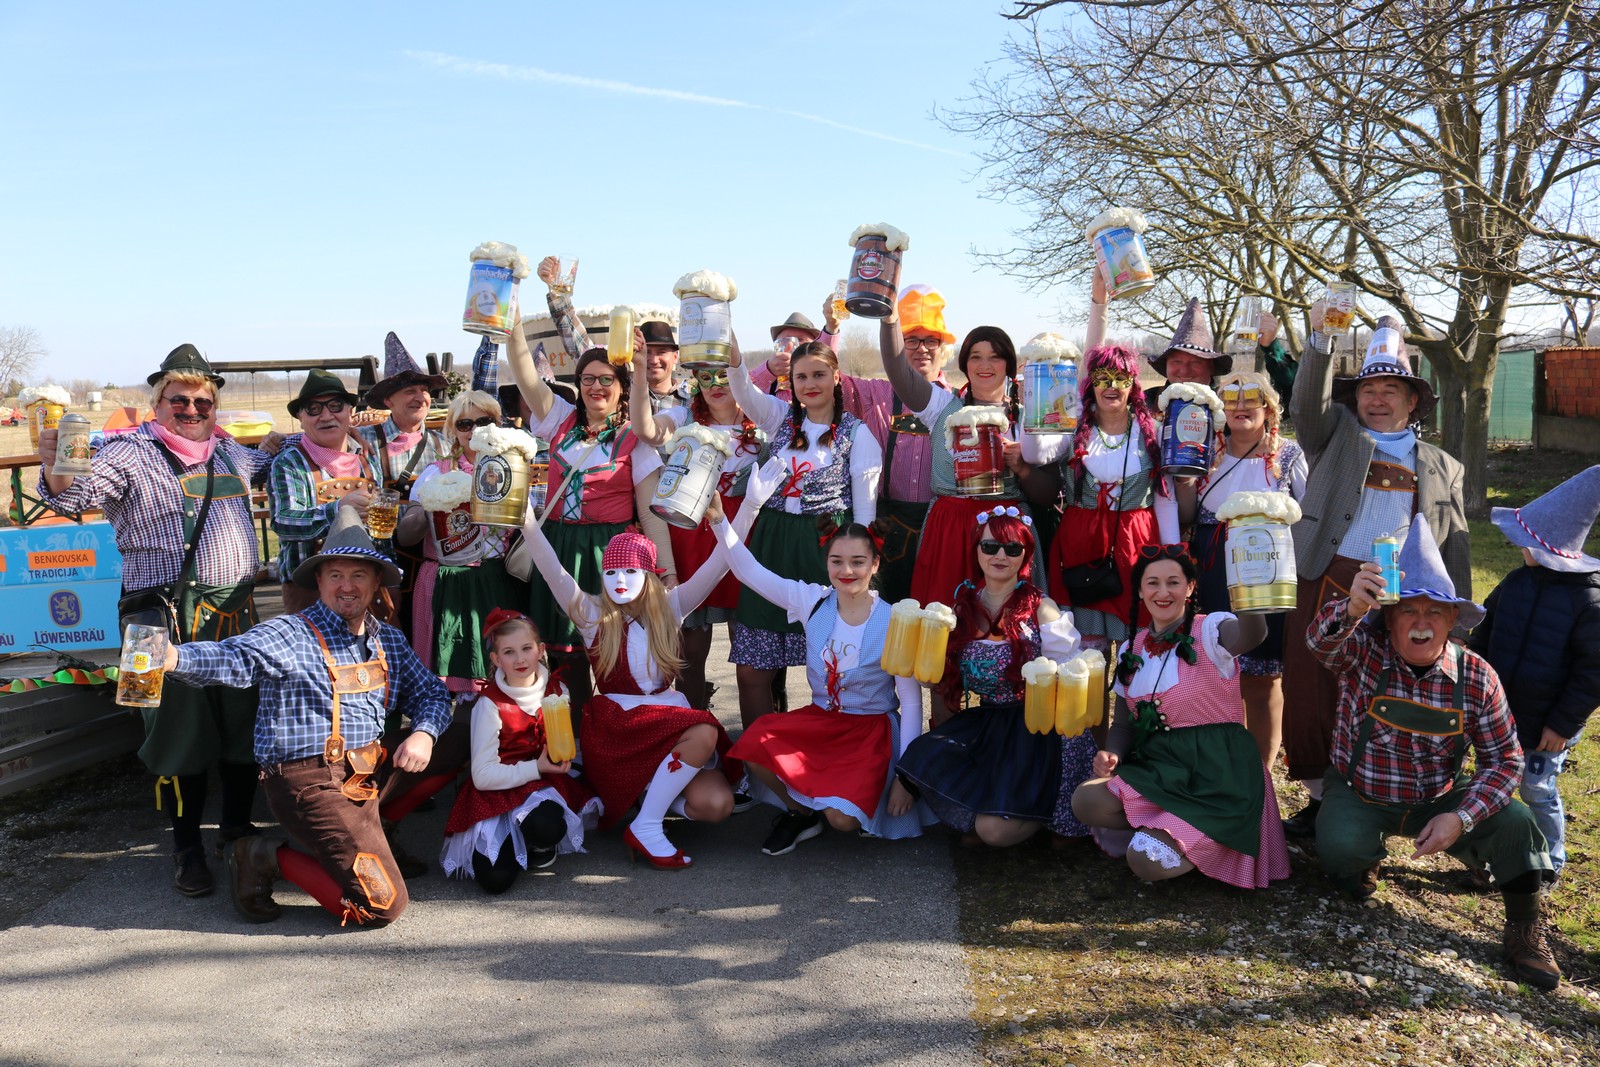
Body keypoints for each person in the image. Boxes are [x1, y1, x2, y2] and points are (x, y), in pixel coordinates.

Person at [36, 345, 276, 899]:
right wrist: (55, 465)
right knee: (172, 737)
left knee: (245, 727)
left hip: (236, 614)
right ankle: (186, 846)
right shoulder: (127, 453)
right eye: (180, 399)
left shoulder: (232, 455)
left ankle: (237, 830)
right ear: (158, 402)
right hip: (152, 620)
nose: (192, 409)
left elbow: (277, 464)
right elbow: (77, 496)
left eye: (203, 401)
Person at [163, 508, 453, 926]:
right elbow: (234, 657)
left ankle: (378, 830)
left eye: (358, 575)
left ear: (375, 583)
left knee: (461, 736)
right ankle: (259, 855)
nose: (346, 586)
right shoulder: (291, 633)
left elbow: (431, 692)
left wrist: (424, 733)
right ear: (318, 582)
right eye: (335, 575)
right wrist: (173, 657)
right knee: (380, 907)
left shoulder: (385, 637)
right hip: (310, 781)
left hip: (365, 772)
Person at [1306, 514, 1559, 989]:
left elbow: (1505, 761)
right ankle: (1362, 861)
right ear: (1390, 619)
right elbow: (1320, 643)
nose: (1421, 623)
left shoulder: (1477, 676)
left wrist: (1459, 818)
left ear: (1452, 622)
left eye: (1435, 613)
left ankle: (1525, 929)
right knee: (1338, 850)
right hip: (1361, 793)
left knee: (1520, 825)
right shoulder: (1366, 651)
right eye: (1409, 612)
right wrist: (1352, 607)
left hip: (1440, 798)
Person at [1278, 311, 1469, 837]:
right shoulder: (1333, 436)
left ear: (1413, 402)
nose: (1378, 399)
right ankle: (1320, 800)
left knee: (1377, 692)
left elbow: (1454, 540)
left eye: (1391, 390)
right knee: (1310, 686)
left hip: (1402, 593)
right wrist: (1320, 340)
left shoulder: (1442, 464)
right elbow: (1304, 406)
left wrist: (1459, 615)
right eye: (1368, 390)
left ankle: (1371, 804)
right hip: (1328, 578)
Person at [519, 498, 761, 868]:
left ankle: (645, 803)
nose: (619, 581)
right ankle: (647, 825)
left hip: (666, 720)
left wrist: (749, 509)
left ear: (648, 576)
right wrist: (527, 523)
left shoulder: (671, 608)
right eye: (612, 572)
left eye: (630, 572)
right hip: (619, 730)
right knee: (704, 732)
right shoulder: (591, 615)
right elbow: (553, 571)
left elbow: (719, 565)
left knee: (717, 805)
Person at [711, 494, 930, 854]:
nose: (847, 571)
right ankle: (800, 813)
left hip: (870, 731)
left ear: (875, 565)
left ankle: (841, 805)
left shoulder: (896, 620)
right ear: (826, 563)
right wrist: (720, 520)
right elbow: (748, 571)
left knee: (841, 820)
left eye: (858, 562)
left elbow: (909, 699)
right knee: (754, 744)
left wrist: (906, 777)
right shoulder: (811, 600)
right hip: (823, 722)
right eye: (837, 561)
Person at [1071, 546, 1289, 888]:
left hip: (1219, 774)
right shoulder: (1132, 649)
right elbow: (1124, 724)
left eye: (1173, 582)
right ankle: (1174, 833)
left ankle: (1202, 847)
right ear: (1140, 591)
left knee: (1144, 861)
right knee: (1086, 799)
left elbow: (1254, 635)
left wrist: (1249, 581)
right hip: (1162, 772)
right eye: (1153, 583)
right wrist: (1111, 753)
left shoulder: (1211, 631)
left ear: (1190, 588)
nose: (1163, 592)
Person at [503, 312, 676, 726]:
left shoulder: (635, 438)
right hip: (560, 548)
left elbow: (652, 514)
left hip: (611, 553)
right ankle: (573, 740)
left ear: (622, 387)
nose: (596, 387)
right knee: (565, 657)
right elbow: (525, 372)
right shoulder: (559, 420)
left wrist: (666, 573)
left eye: (606, 380)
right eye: (588, 379)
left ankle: (614, 731)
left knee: (611, 652)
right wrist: (511, 319)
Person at [895, 508, 1088, 848]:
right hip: (989, 722)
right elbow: (937, 679)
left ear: (1026, 556)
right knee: (921, 756)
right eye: (991, 546)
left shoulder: (1042, 608)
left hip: (1039, 728)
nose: (1000, 555)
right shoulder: (960, 608)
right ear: (977, 550)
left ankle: (1045, 815)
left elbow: (1070, 680)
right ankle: (1004, 811)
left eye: (1012, 549)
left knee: (992, 834)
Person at [750, 289, 950, 605]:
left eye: (931, 341)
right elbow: (826, 375)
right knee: (885, 622)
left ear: (944, 348)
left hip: (937, 523)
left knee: (934, 611)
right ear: (897, 346)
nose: (921, 349)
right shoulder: (877, 393)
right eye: (910, 340)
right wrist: (831, 327)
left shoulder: (956, 402)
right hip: (887, 521)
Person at [727, 336, 883, 728]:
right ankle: (758, 764)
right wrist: (731, 345)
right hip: (771, 547)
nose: (810, 384)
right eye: (801, 377)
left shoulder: (857, 435)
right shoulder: (780, 418)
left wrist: (858, 574)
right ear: (791, 382)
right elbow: (743, 389)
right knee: (752, 671)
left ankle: (830, 760)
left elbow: (864, 516)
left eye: (818, 374)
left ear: (836, 377)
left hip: (824, 552)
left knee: (833, 668)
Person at [878, 300, 1069, 613]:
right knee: (944, 625)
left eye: (995, 357)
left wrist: (1021, 468)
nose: (985, 364)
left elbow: (1049, 493)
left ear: (1008, 365)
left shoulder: (1028, 418)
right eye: (976, 356)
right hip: (949, 529)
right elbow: (898, 370)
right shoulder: (940, 405)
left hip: (1007, 532)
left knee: (1008, 627)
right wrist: (890, 318)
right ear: (964, 364)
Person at [1469, 466, 1600, 880]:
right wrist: (1472, 681)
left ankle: (1548, 862)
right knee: (1494, 786)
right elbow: (1485, 636)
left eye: (1525, 542)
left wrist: (1563, 723)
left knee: (1536, 790)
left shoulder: (1588, 602)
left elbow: (1593, 672)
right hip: (1501, 713)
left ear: (1547, 547)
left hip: (1548, 724)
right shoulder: (1515, 582)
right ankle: (1493, 858)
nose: (1518, 548)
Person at [1174, 372, 1306, 766]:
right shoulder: (1201, 451)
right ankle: (1226, 768)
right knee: (1220, 673)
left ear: (1269, 408)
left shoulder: (1288, 456)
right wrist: (1183, 479)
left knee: (1263, 678)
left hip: (1267, 572)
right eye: (1231, 400)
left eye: (1253, 399)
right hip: (1214, 572)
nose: (1242, 407)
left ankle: (1261, 772)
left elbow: (1310, 517)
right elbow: (1185, 516)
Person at [630, 348, 765, 710]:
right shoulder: (683, 414)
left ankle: (760, 734)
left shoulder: (762, 413)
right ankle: (691, 725)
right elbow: (645, 430)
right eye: (705, 375)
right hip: (691, 532)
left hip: (745, 534)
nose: (716, 384)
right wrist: (640, 374)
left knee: (751, 642)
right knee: (689, 641)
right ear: (694, 379)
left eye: (723, 374)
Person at [439, 610, 602, 893]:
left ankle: (537, 841)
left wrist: (561, 758)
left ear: (540, 650)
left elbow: (560, 743)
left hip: (540, 786)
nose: (520, 659)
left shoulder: (557, 689)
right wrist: (537, 767)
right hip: (496, 789)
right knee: (495, 882)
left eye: (527, 649)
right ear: (496, 659)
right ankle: (512, 840)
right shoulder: (489, 705)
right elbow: (482, 776)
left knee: (548, 826)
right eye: (509, 652)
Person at [1028, 342, 1179, 646]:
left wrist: (1173, 557)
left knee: (1138, 647)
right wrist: (1034, 404)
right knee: (1086, 649)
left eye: (1120, 377)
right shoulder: (1072, 428)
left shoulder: (1154, 433)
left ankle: (1131, 695)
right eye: (1102, 376)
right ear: (1090, 382)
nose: (1111, 386)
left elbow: (1165, 498)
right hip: (1081, 549)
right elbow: (1033, 455)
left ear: (1133, 384)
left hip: (1137, 546)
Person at [395, 388, 520, 694]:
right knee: (448, 673)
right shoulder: (435, 473)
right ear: (453, 430)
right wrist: (430, 503)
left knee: (499, 670)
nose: (475, 430)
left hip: (495, 577)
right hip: (447, 580)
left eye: (484, 421)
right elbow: (406, 536)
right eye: (465, 424)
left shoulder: (512, 469)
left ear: (498, 423)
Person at [359, 331, 449, 638]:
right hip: (382, 565)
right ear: (388, 400)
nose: (420, 397)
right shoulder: (366, 442)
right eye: (410, 390)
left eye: (423, 390)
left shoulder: (443, 445)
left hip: (428, 567)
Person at [268, 369, 380, 614]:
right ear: (300, 417)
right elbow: (283, 521)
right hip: (310, 593)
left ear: (350, 413)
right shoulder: (289, 463)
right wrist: (339, 510)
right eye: (314, 409)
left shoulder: (367, 458)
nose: (326, 415)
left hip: (368, 589)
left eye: (335, 405)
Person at [1142, 296, 1232, 410]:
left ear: (1211, 367)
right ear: (1166, 366)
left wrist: (1262, 348)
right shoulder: (1144, 402)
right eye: (1177, 362)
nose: (1185, 371)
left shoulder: (1229, 404)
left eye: (1195, 362)